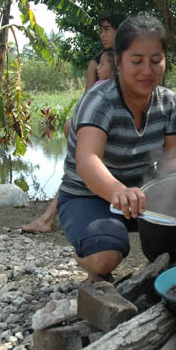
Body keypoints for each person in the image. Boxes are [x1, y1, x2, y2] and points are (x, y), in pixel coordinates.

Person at [58, 13, 176, 283]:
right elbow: (88, 160)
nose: (147, 71)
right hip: (87, 194)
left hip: (142, 195)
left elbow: (172, 159)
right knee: (105, 255)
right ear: (118, 62)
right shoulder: (100, 100)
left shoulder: (169, 102)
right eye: (137, 61)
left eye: (156, 61)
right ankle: (87, 249)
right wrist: (119, 191)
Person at [21, 48, 118, 233]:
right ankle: (47, 218)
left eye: (103, 64)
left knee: (74, 174)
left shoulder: (104, 90)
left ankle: (47, 219)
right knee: (76, 172)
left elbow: (87, 114)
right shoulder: (112, 89)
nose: (98, 67)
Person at [85, 13, 126, 90]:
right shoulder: (95, 64)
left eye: (106, 30)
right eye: (101, 31)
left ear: (120, 31)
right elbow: (87, 99)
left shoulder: (135, 57)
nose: (102, 35)